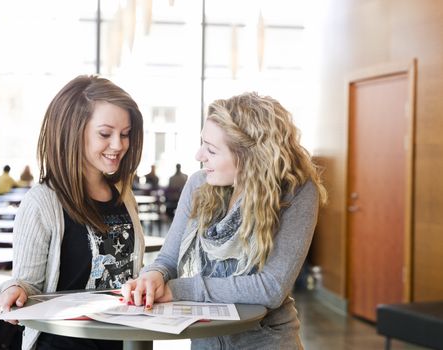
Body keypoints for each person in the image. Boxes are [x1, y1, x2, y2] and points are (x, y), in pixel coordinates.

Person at [121, 92, 327, 349]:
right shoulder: (198, 184)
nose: (199, 155)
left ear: (248, 156)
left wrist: (178, 290)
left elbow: (271, 288)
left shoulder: (297, 191)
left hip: (266, 341)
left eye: (211, 149)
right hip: (206, 339)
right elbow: (168, 259)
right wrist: (153, 276)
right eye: (202, 144)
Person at [0, 75, 145, 350]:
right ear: (73, 130)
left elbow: (128, 269)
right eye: (105, 133)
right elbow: (27, 284)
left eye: (125, 134)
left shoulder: (125, 196)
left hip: (120, 341)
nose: (119, 145)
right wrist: (12, 291)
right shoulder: (42, 202)